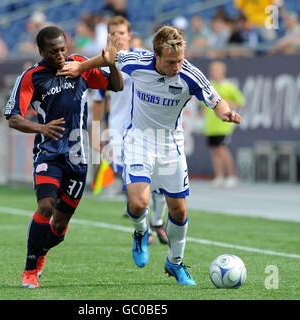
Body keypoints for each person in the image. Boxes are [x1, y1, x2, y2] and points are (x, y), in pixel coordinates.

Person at [58, 26, 242, 286]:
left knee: (178, 210)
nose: (177, 66)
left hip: (171, 144)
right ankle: (140, 232)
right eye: (171, 61)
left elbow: (215, 98)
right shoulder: (137, 62)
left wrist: (224, 112)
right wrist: (79, 68)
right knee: (137, 204)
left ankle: (175, 262)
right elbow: (109, 58)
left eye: (179, 60)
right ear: (156, 55)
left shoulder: (190, 74)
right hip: (139, 141)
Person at [4, 25, 123, 289]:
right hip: (49, 153)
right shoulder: (31, 77)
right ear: (41, 51)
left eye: (62, 49)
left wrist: (112, 64)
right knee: (45, 206)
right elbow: (13, 118)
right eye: (53, 51)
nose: (60, 55)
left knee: (59, 226)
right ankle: (29, 269)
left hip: (79, 157)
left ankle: (43, 251)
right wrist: (41, 128)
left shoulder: (79, 65)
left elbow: (116, 86)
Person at [91, 15, 168, 245]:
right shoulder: (104, 63)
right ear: (108, 36)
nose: (118, 37)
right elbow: (98, 100)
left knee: (160, 178)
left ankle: (156, 221)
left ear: (129, 35)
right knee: (132, 180)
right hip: (118, 132)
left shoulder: (145, 58)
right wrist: (96, 135)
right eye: (113, 34)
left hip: (148, 129)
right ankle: (146, 229)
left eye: (121, 33)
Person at [201, 61, 245, 188]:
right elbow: (204, 105)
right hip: (211, 125)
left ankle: (232, 176)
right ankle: (219, 176)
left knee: (222, 149)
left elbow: (240, 102)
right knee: (214, 150)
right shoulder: (209, 86)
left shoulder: (229, 87)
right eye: (213, 71)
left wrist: (225, 103)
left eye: (217, 71)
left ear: (222, 72)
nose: (214, 73)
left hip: (223, 125)